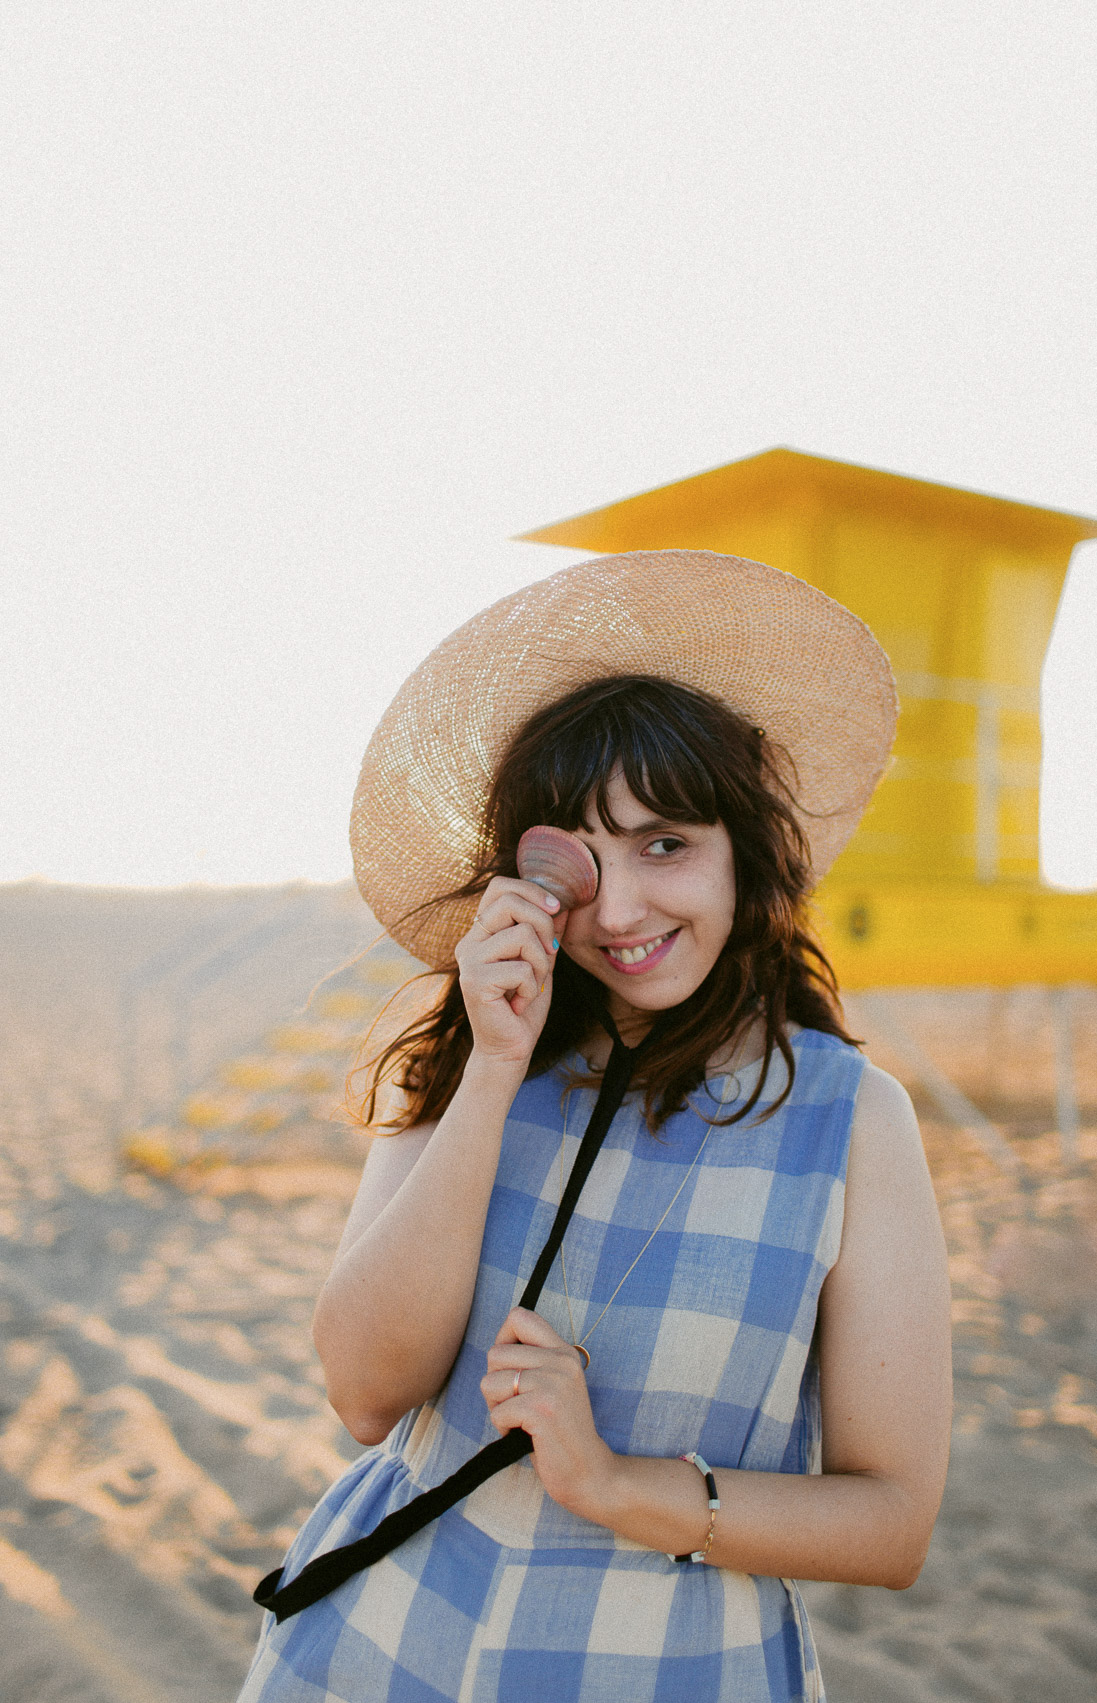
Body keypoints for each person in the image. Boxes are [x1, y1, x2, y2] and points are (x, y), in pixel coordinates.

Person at [239, 550, 952, 1703]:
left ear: (743, 858)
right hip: (379, 1650)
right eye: (574, 859)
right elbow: (366, 1393)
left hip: (670, 1668)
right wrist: (494, 1069)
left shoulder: (848, 1119)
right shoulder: (468, 1048)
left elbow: (891, 1522)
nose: (616, 911)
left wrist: (616, 1482)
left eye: (664, 844)